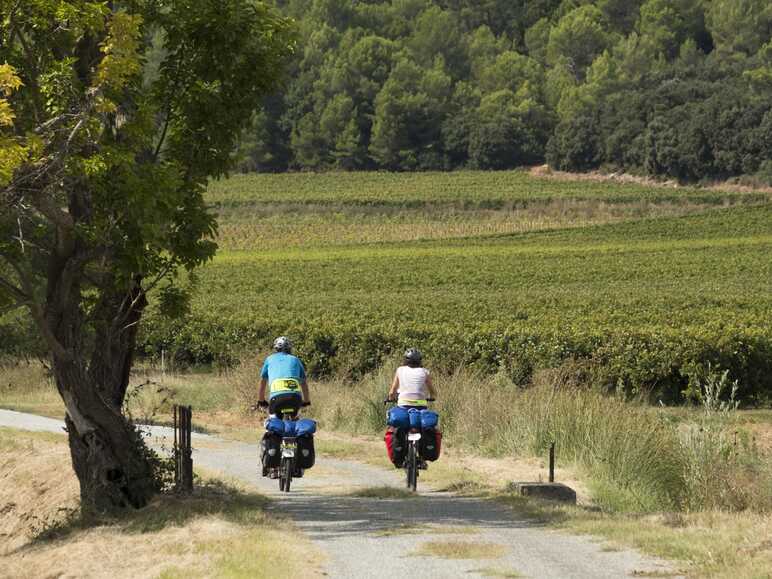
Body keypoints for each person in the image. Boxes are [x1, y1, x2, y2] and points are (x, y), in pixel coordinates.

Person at [258, 336, 311, 417]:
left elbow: (263, 382)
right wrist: (306, 401)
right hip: (295, 398)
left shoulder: (269, 359)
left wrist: (261, 401)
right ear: (289, 348)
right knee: (296, 418)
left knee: (274, 421)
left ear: (275, 348)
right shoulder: (296, 359)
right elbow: (304, 383)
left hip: (276, 398)